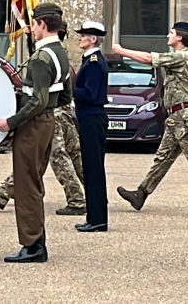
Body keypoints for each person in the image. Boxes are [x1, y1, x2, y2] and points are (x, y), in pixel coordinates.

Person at [112, 22, 188, 216]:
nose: (167, 35)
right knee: (162, 158)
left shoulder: (180, 58)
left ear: (179, 38)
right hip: (177, 118)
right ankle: (141, 194)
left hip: (185, 117)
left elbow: (148, 58)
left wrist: (122, 50)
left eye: (171, 33)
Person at [0, 21, 85, 215]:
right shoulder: (59, 57)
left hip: (53, 115)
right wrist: (29, 37)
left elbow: (43, 93)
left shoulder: (53, 60)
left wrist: (12, 121)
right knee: (37, 161)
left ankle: (78, 199)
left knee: (58, 157)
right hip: (55, 113)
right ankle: (2, 193)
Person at [0, 3, 69, 263]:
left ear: (42, 25)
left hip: (33, 124)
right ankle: (36, 241)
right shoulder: (61, 53)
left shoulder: (41, 58)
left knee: (27, 185)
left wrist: (12, 122)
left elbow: (37, 100)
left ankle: (33, 245)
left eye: (34, 24)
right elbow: (65, 95)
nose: (31, 29)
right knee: (33, 181)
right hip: (47, 122)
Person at [72, 21, 110, 232]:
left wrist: (69, 91)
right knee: (90, 167)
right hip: (89, 117)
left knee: (94, 169)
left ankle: (97, 219)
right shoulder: (89, 60)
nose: (80, 38)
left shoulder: (94, 62)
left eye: (83, 35)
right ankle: (94, 216)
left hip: (92, 116)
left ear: (93, 39)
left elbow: (90, 94)